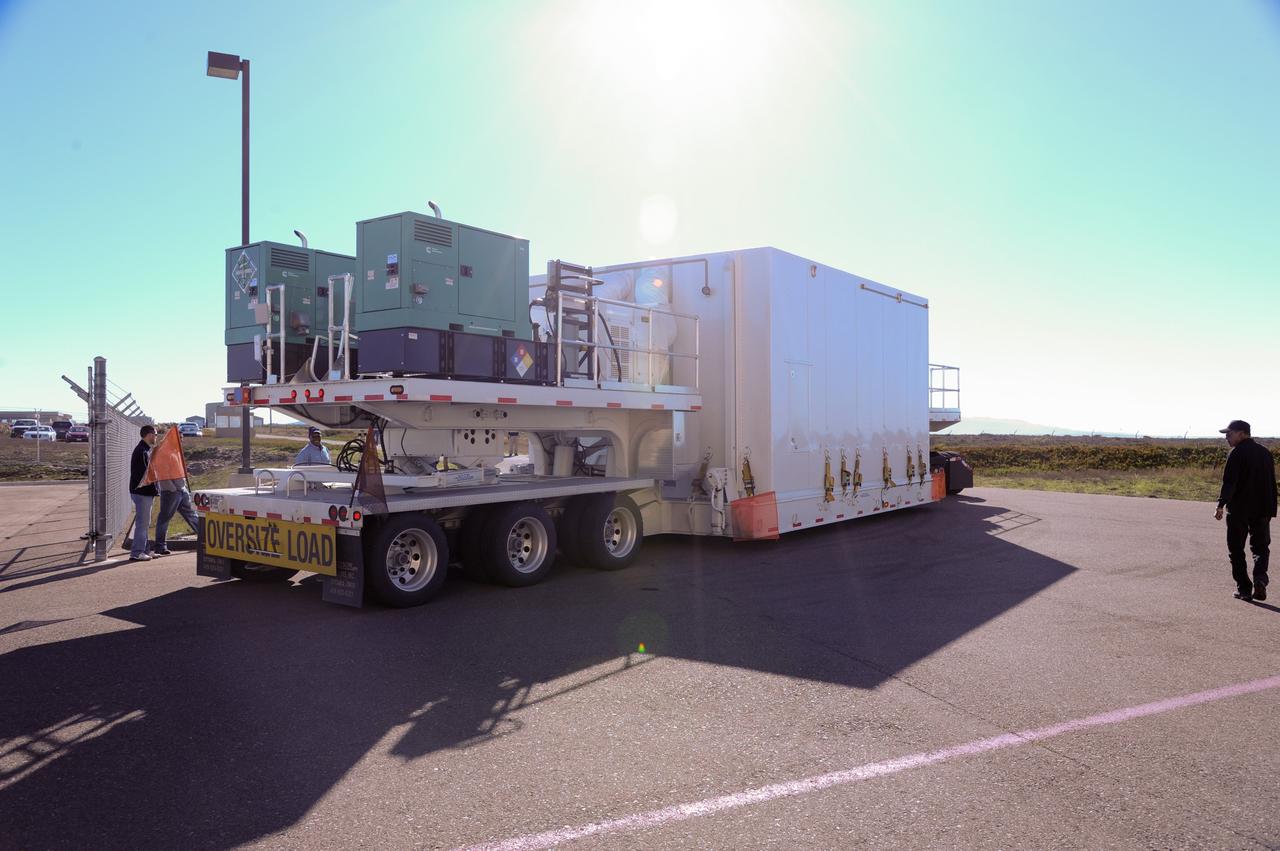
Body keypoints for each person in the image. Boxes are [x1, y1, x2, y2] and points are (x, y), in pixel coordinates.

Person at [1214, 419, 1277, 602]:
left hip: (1240, 509)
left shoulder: (1236, 453)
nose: (1226, 437)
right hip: (1262, 508)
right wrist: (1272, 509)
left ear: (1242, 433)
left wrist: (1221, 504)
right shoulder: (1265, 453)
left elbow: (1230, 482)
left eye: (1230, 433)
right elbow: (1271, 483)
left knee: (1236, 548)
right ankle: (1260, 580)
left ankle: (1244, 589)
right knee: (1261, 547)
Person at [128, 424, 159, 562]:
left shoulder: (145, 449)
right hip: (142, 493)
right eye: (155, 434)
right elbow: (144, 475)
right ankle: (137, 552)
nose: (156, 437)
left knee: (146, 522)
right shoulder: (141, 451)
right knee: (142, 523)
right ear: (149, 434)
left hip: (144, 492)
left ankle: (145, 550)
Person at [154, 477, 199, 556]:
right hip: (170, 490)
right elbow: (162, 472)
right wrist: (172, 488)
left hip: (181, 489)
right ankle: (160, 547)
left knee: (192, 515)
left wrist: (182, 486)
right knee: (164, 519)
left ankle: (206, 539)